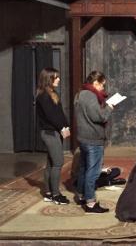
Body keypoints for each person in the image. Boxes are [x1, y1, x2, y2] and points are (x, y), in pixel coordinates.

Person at [74, 70, 113, 213]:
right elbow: (100, 117)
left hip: (84, 138)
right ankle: (90, 203)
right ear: (95, 83)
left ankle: (81, 195)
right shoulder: (90, 96)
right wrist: (109, 108)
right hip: (92, 139)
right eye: (102, 85)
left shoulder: (81, 94)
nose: (103, 88)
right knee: (93, 172)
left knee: (84, 169)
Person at [36, 67, 71, 205]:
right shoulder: (43, 96)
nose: (58, 79)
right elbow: (51, 116)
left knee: (51, 163)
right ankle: (55, 194)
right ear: (48, 79)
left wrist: (65, 126)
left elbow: (59, 113)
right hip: (50, 133)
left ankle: (49, 193)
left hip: (54, 132)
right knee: (58, 162)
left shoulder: (51, 93)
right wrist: (62, 128)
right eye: (55, 77)